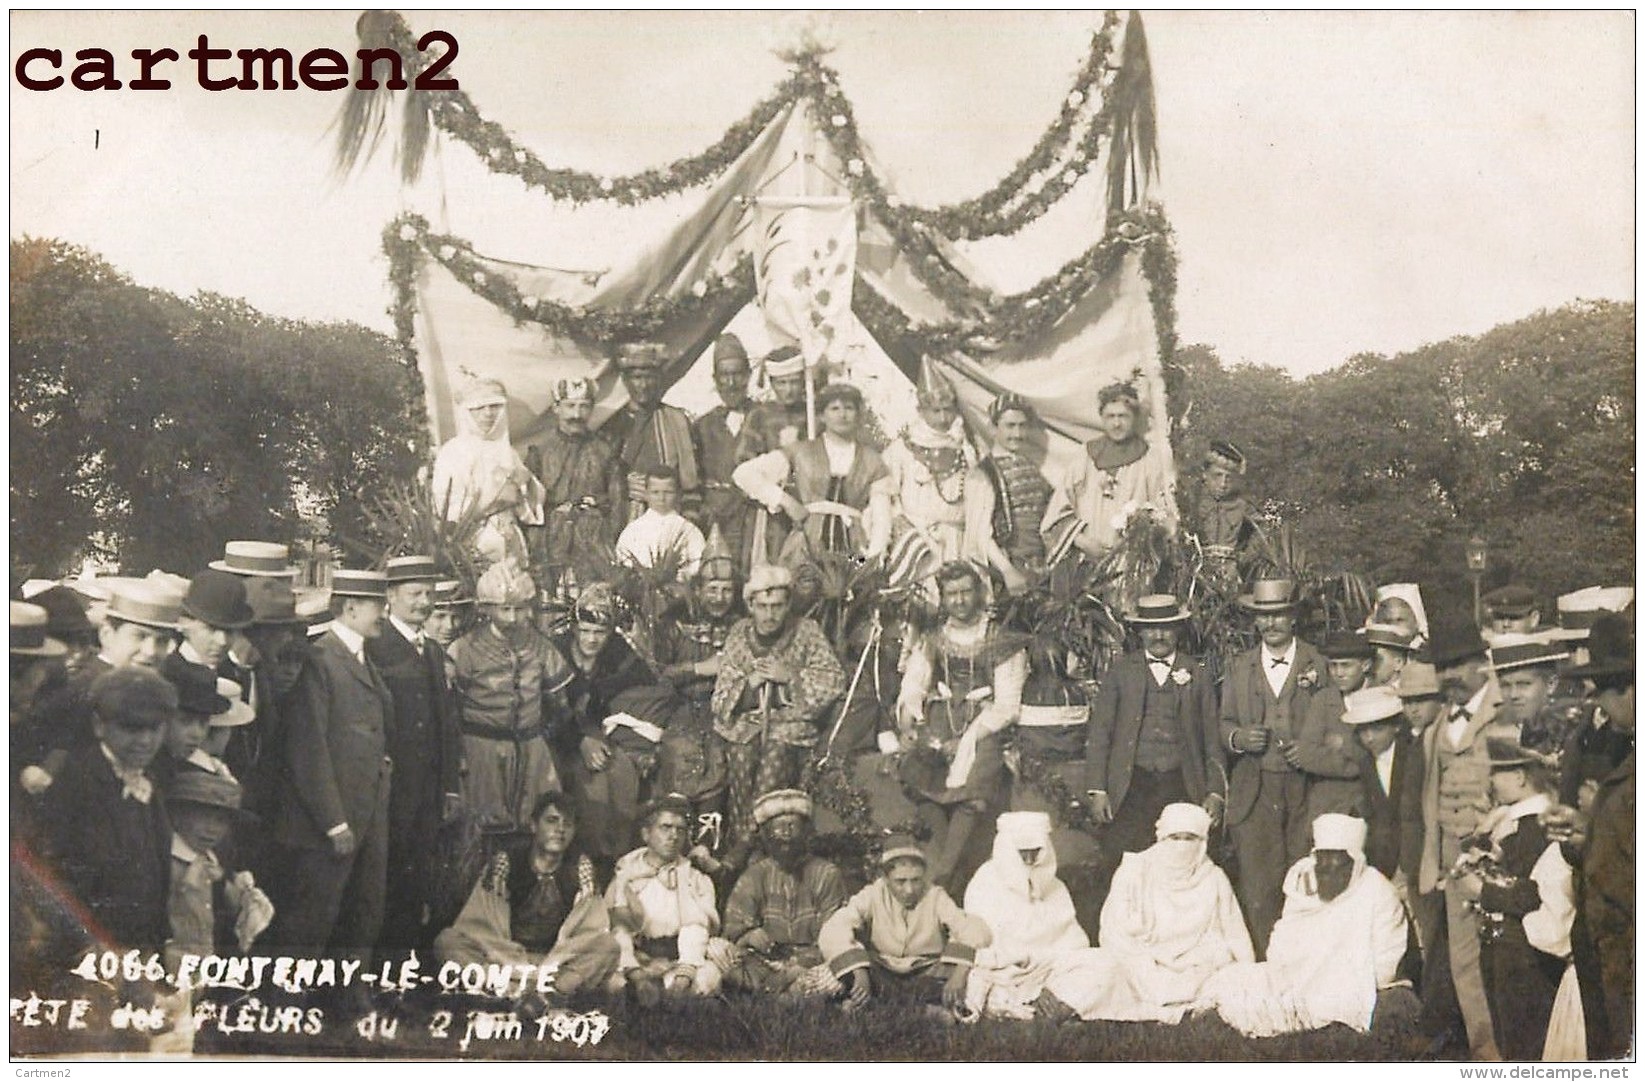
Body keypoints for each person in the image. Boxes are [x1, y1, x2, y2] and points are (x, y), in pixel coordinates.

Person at [266, 569, 394, 966]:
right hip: (328, 823)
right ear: (351, 607)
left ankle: (345, 1003)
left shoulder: (361, 658)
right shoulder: (320, 659)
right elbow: (308, 749)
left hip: (366, 813)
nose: (384, 615)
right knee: (309, 924)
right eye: (379, 606)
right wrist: (333, 821)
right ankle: (285, 1011)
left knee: (363, 912)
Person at [1198, 813, 1409, 1038]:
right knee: (1229, 980)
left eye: (1336, 861)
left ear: (1355, 863)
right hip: (1294, 976)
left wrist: (1332, 972)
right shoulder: (1304, 883)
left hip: (1348, 982)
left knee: (1327, 1002)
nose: (1326, 870)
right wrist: (1299, 967)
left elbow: (1386, 965)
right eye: (1321, 860)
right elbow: (1282, 942)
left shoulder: (1378, 891)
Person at [1042, 803, 1252, 1023]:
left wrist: (1247, 972)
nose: (1181, 846)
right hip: (1140, 961)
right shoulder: (1136, 871)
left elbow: (1234, 930)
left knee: (1222, 977)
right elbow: (1114, 929)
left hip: (1195, 965)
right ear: (1161, 838)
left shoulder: (1213, 878)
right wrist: (1143, 961)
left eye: (1190, 838)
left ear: (1202, 842)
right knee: (1101, 969)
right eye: (1174, 838)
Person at [896, 561, 1028, 894]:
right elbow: (914, 683)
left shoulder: (1001, 638)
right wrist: (910, 718)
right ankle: (949, 869)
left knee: (975, 785)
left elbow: (1007, 704)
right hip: (941, 718)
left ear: (980, 593)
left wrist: (969, 738)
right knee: (920, 776)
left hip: (985, 722)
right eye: (951, 594)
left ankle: (942, 874)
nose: (959, 600)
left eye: (966, 591)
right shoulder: (933, 638)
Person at [1218, 578, 1329, 956]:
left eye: (1279, 615)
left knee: (1304, 880)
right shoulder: (1240, 667)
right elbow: (1222, 725)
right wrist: (1239, 739)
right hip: (1256, 788)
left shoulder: (1319, 663)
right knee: (1259, 886)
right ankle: (1265, 967)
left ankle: (1302, 964)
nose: (1271, 625)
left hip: (1306, 789)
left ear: (1294, 617)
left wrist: (1312, 749)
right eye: (1263, 617)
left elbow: (1338, 723)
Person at [1544, 613, 1634, 1059]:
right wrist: (1577, 832)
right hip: (1597, 916)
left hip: (1628, 920)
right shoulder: (1587, 739)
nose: (1600, 707)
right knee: (1608, 1045)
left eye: (1607, 693)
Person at [710, 565, 846, 862]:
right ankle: (744, 844)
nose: (770, 615)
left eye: (777, 606)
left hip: (790, 726)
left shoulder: (807, 632)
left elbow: (833, 680)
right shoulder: (738, 635)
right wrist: (749, 685)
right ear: (750, 606)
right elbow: (722, 695)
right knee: (743, 756)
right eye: (763, 607)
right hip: (748, 724)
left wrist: (790, 677)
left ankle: (743, 849)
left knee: (774, 754)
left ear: (788, 606)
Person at [433, 791, 621, 1003]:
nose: (560, 829)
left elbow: (591, 930)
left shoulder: (580, 868)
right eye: (552, 821)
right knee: (447, 941)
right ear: (534, 825)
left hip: (555, 961)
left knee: (608, 946)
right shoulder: (507, 862)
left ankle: (552, 993)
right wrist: (508, 960)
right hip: (505, 957)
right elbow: (481, 924)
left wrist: (557, 960)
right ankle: (510, 991)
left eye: (567, 824)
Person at [39, 668, 177, 956]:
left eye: (155, 729)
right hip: (89, 957)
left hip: (140, 952)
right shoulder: (73, 786)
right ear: (99, 726)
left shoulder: (149, 780)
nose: (145, 741)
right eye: (131, 729)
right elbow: (52, 881)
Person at [1418, 619, 1508, 1060]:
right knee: (1464, 954)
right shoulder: (1438, 724)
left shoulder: (1501, 709)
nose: (1449, 675)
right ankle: (1483, 1047)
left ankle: (1521, 1042)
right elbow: (1430, 795)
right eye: (1441, 667)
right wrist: (1434, 860)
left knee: (1508, 950)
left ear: (1481, 664)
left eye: (1457, 665)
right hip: (1455, 854)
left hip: (1499, 848)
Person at [1452, 738, 1572, 1061]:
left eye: (1498, 774)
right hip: (1503, 949)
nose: (1490, 782)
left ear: (1521, 777)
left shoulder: (1537, 827)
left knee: (1525, 1045)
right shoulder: (1511, 822)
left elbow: (1533, 895)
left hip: (1525, 955)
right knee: (1510, 1041)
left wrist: (1481, 892)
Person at [367, 555, 463, 955]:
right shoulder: (377, 647)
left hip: (427, 793)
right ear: (391, 596)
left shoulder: (435, 653)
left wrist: (449, 789)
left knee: (415, 882)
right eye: (415, 594)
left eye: (429, 594)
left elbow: (446, 724)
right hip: (392, 790)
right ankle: (375, 975)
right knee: (383, 883)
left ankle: (401, 976)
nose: (423, 603)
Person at [1085, 594, 1224, 866]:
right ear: (1139, 632)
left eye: (1166, 628)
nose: (1158, 635)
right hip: (1131, 784)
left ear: (1178, 631)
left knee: (1182, 861)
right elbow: (1100, 733)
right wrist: (1097, 789)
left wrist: (1215, 792)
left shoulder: (1197, 673)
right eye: (1151, 629)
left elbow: (1212, 738)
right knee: (1126, 861)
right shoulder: (1121, 672)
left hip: (1181, 782)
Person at [448, 559, 574, 835]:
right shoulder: (466, 648)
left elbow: (560, 701)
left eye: (519, 609)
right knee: (484, 822)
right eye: (505, 609)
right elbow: (451, 707)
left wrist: (544, 735)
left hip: (531, 748)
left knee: (535, 819)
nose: (513, 617)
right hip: (482, 747)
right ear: (487, 609)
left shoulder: (540, 646)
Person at [25, 580, 182, 792]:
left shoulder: (154, 692)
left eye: (161, 641)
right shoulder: (82, 692)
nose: (151, 650)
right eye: (140, 636)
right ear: (107, 634)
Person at [553, 583, 668, 865]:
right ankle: (580, 857)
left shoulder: (619, 654)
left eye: (600, 632)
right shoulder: (555, 651)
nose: (591, 640)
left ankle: (614, 856)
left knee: (620, 772)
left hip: (603, 734)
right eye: (586, 631)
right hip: (558, 733)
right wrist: (579, 741)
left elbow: (646, 686)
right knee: (583, 782)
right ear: (575, 627)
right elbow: (547, 706)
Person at [818, 836, 991, 1014]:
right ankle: (925, 1009)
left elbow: (973, 929)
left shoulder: (935, 895)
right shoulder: (872, 894)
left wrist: (959, 974)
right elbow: (835, 927)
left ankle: (876, 1005)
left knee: (975, 978)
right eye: (900, 881)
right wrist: (858, 971)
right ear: (885, 878)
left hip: (926, 972)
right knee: (831, 975)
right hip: (882, 970)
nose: (909, 890)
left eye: (916, 880)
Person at [732, 381, 892, 570]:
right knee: (802, 587)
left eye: (849, 408)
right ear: (822, 415)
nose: (842, 415)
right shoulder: (801, 451)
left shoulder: (872, 460)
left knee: (853, 593)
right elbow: (744, 474)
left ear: (858, 414)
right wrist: (785, 501)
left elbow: (882, 518)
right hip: (807, 544)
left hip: (852, 548)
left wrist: (872, 559)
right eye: (834, 408)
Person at [960, 811, 1099, 1021]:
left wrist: (1046, 964)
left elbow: (1074, 941)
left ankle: (1051, 1002)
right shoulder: (985, 881)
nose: (1029, 859)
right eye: (1021, 852)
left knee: (1101, 963)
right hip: (1005, 972)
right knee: (980, 982)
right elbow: (981, 944)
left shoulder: (1056, 887)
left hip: (1050, 969)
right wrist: (1019, 960)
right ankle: (1037, 1008)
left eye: (1035, 852)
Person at [721, 789, 848, 996]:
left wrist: (798, 967)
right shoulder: (755, 874)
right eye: (778, 827)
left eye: (793, 825)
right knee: (718, 952)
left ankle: (786, 993)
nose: (786, 833)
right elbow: (733, 927)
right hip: (764, 961)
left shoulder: (826, 874)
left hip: (812, 963)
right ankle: (786, 992)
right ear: (766, 834)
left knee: (837, 974)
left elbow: (836, 934)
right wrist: (749, 935)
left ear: (807, 832)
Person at [606, 794, 733, 1002]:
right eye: (665, 828)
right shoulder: (626, 876)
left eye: (680, 830)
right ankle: (639, 991)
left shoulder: (694, 879)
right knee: (613, 983)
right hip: (637, 959)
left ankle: (676, 995)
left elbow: (697, 926)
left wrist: (684, 974)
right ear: (646, 834)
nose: (673, 836)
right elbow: (617, 929)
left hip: (680, 959)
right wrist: (637, 975)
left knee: (706, 981)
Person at [1040, 380, 1177, 562]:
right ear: (1102, 418)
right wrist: (1082, 542)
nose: (1117, 424)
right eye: (1110, 416)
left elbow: (1164, 514)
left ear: (1134, 418)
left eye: (1123, 416)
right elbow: (1057, 512)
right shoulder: (1085, 456)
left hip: (1131, 561)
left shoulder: (1149, 460)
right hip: (1086, 559)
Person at [431, 377, 546, 569]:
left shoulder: (507, 452)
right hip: (475, 538)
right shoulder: (453, 452)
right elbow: (446, 506)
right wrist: (494, 499)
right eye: (479, 408)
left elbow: (530, 502)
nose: (488, 414)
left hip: (510, 535)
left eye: (494, 407)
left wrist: (526, 485)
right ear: (467, 412)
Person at [163, 770, 274, 968]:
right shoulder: (164, 862)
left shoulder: (212, 862)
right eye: (203, 818)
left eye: (221, 821)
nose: (212, 829)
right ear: (177, 815)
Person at [525, 376, 623, 589]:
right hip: (551, 544)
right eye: (570, 406)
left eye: (584, 407)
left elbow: (617, 506)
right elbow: (530, 509)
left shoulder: (605, 451)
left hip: (595, 544)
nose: (576, 415)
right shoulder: (539, 453)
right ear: (556, 408)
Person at [882, 358, 977, 563]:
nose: (943, 418)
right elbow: (888, 497)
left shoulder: (965, 449)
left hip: (957, 540)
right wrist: (905, 534)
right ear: (921, 411)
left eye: (948, 409)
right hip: (916, 543)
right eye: (936, 411)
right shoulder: (901, 449)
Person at [963, 392, 1053, 593]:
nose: (1018, 433)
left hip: (1041, 569)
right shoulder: (982, 474)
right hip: (1005, 571)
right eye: (1010, 426)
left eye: (1022, 426)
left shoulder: (1033, 469)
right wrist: (1007, 571)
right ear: (993, 428)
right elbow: (979, 534)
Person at [603, 343, 703, 525]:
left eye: (650, 377)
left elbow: (690, 479)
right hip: (622, 513)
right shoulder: (612, 423)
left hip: (668, 513)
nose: (643, 385)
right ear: (625, 380)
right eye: (637, 378)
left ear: (659, 380)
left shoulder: (676, 420)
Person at [1340, 686, 1425, 894]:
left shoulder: (1414, 755)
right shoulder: (1366, 762)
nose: (1369, 738)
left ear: (1395, 726)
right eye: (1363, 731)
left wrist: (1407, 867)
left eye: (1376, 729)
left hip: (1418, 859)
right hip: (1384, 862)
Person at [1291, 629, 1374, 824]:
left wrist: (1342, 743)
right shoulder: (1323, 700)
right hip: (1328, 804)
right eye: (1333, 666)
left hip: (1369, 803)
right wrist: (1360, 765)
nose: (1338, 673)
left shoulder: (1379, 696)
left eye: (1346, 666)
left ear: (1366, 665)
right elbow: (1307, 755)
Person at [693, 334, 757, 573]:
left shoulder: (766, 418)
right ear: (715, 380)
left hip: (754, 516)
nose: (731, 383)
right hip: (715, 517)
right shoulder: (703, 425)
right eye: (724, 376)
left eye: (738, 374)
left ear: (749, 375)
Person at [1488, 633, 1578, 765]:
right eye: (1505, 685)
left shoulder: (1571, 729)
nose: (1513, 695)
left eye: (1524, 684)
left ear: (1551, 684)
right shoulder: (1498, 729)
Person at [615, 467, 708, 581]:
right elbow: (624, 562)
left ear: (678, 494)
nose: (661, 498)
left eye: (668, 492)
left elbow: (698, 563)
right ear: (646, 494)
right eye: (655, 492)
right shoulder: (633, 530)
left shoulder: (689, 531)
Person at [733, 344, 812, 465]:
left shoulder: (813, 413)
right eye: (781, 383)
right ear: (772, 383)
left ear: (803, 381)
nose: (788, 389)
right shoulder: (759, 416)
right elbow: (744, 461)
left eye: (794, 382)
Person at [175, 569, 255, 673]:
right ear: (183, 624)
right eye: (211, 629)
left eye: (230, 631)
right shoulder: (168, 675)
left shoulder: (238, 674)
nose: (222, 641)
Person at [1190, 439, 1253, 566]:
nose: (1223, 484)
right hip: (1193, 575)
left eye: (1228, 478)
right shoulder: (1191, 504)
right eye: (1217, 476)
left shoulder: (1242, 507)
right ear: (1204, 474)